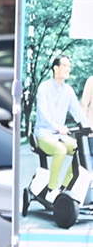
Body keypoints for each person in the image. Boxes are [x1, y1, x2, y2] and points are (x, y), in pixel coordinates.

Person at [36, 54, 91, 197]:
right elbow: (43, 112)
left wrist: (89, 126)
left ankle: (65, 187)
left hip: (60, 135)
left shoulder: (69, 91)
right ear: (56, 68)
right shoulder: (44, 87)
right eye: (65, 65)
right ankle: (51, 189)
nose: (68, 69)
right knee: (60, 149)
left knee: (79, 148)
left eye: (69, 66)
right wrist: (56, 126)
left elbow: (78, 112)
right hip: (44, 134)